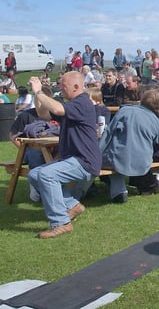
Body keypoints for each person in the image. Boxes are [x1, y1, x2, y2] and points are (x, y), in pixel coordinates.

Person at [27, 71, 102, 238]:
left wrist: (39, 91)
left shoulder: (82, 102)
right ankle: (72, 205)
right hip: (74, 159)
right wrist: (36, 94)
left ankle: (61, 223)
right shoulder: (73, 105)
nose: (60, 88)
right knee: (34, 174)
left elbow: (57, 109)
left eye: (63, 85)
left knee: (46, 175)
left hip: (84, 161)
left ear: (76, 87)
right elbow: (43, 114)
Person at [99, 89, 159, 203]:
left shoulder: (125, 111)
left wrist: (97, 152)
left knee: (108, 161)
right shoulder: (156, 120)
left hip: (120, 158)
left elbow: (108, 133)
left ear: (142, 100)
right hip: (144, 161)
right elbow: (156, 140)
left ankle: (119, 191)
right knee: (117, 160)